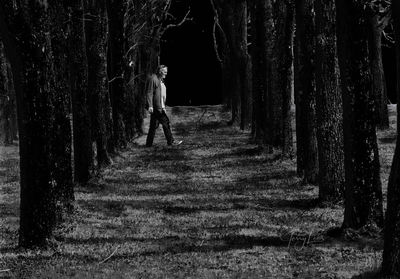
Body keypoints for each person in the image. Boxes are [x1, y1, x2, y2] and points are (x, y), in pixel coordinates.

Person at [145, 65, 182, 147]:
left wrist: (163, 107)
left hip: (159, 107)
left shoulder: (160, 80)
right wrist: (150, 105)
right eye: (164, 71)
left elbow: (161, 96)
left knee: (153, 126)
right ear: (159, 71)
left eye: (166, 71)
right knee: (165, 123)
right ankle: (171, 141)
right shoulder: (153, 79)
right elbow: (149, 92)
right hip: (156, 107)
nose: (166, 73)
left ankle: (148, 144)